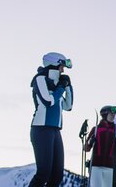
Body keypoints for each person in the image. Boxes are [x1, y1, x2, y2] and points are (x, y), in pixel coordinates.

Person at [29, 52, 74, 187]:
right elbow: (48, 101)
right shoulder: (40, 79)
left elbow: (68, 106)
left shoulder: (57, 83)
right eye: (61, 66)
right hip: (41, 130)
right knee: (44, 173)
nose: (63, 70)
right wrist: (60, 88)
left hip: (55, 131)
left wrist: (68, 86)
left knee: (57, 176)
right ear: (54, 64)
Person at [85, 105, 116, 187]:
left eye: (115, 115)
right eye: (111, 114)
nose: (114, 116)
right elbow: (86, 148)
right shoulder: (96, 129)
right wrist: (90, 141)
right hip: (96, 166)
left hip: (111, 167)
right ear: (105, 115)